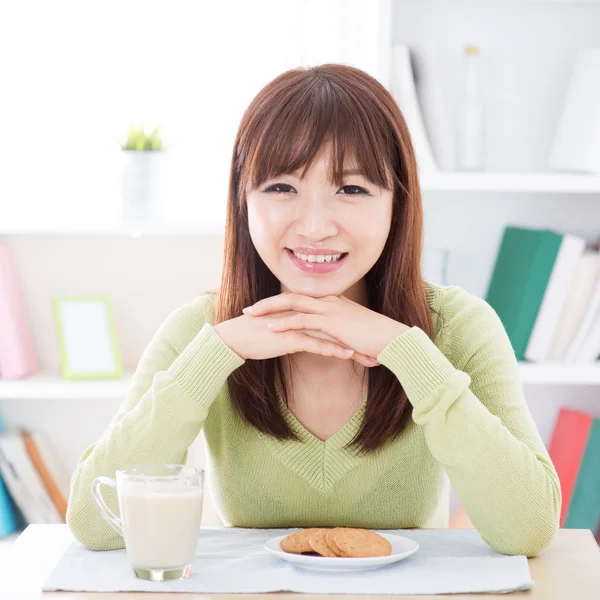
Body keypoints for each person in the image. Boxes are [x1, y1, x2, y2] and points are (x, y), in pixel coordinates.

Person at [67, 64, 560, 557]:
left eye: (351, 189)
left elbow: (530, 531)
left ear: (398, 204)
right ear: (243, 201)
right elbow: (96, 526)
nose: (316, 227)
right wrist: (217, 354)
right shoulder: (202, 332)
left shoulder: (458, 328)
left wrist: (406, 353)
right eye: (282, 187)